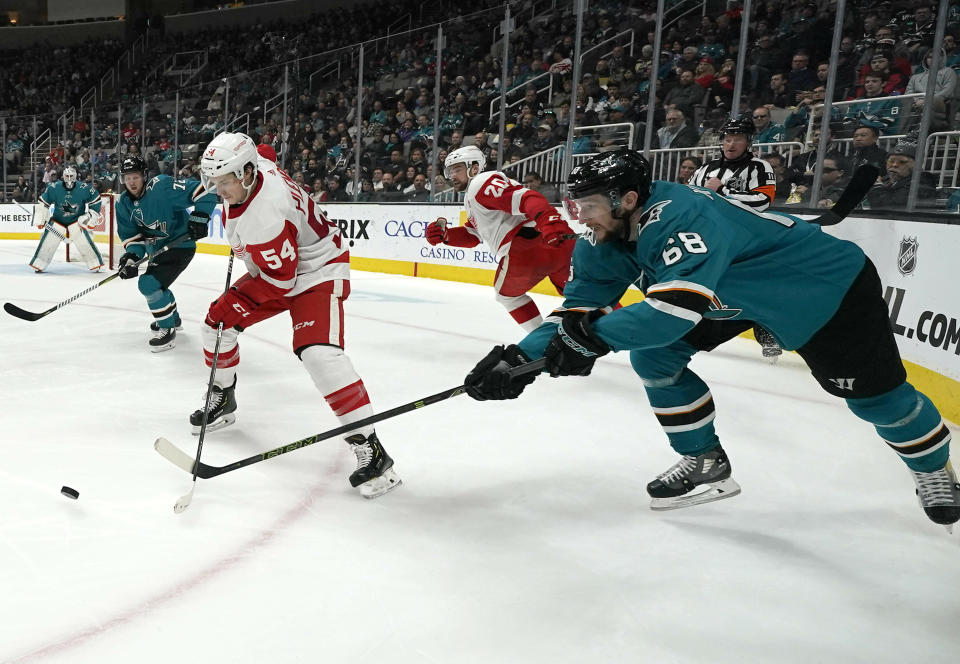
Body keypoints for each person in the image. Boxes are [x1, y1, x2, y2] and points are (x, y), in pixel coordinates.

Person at [463, 149, 959, 531]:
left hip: (816, 288)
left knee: (877, 400)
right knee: (655, 358)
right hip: (724, 291)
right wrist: (520, 359)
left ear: (628, 199)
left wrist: (587, 342)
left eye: (588, 206)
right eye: (577, 206)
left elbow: (668, 314)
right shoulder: (604, 235)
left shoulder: (679, 216)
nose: (581, 218)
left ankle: (933, 469)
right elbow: (579, 311)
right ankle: (704, 459)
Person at [195, 132, 401, 499]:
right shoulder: (257, 169)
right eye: (214, 180)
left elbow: (280, 282)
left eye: (223, 181)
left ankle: (371, 447)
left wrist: (236, 300)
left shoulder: (264, 214)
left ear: (244, 174)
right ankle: (223, 397)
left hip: (317, 268)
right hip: (280, 263)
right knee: (215, 327)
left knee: (318, 352)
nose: (217, 189)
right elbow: (266, 152)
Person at [424, 146, 576, 332]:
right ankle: (621, 329)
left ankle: (543, 342)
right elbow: (473, 235)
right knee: (586, 295)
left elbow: (527, 198)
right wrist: (446, 236)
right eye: (450, 171)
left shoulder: (481, 182)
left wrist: (548, 219)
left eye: (457, 169)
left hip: (528, 248)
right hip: (556, 244)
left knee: (508, 295)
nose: (452, 176)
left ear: (474, 168)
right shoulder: (473, 195)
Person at [687, 115, 781, 360]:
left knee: (754, 284)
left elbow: (763, 201)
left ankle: (766, 331)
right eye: (727, 139)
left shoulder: (760, 167)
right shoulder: (705, 169)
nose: (730, 144)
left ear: (748, 142)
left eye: (737, 139)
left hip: (746, 239)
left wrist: (721, 192)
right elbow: (688, 198)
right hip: (708, 235)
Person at [115, 155, 218, 352]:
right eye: (127, 178)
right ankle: (173, 319)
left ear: (144, 176)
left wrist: (200, 217)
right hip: (158, 251)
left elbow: (205, 190)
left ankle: (167, 328)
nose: (131, 182)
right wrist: (131, 257)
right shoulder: (123, 204)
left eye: (135, 177)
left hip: (180, 246)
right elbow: (132, 238)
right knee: (157, 286)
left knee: (148, 284)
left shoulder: (162, 187)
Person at [30, 166, 104, 273]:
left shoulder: (84, 187)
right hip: (57, 220)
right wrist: (40, 218)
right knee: (48, 241)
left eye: (71, 176)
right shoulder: (54, 187)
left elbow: (96, 200)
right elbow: (43, 202)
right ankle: (39, 262)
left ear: (76, 176)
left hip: (76, 221)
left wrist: (91, 216)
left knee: (84, 241)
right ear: (63, 176)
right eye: (67, 176)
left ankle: (95, 263)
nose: (69, 178)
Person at [866, 140, 938, 210]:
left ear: (917, 165)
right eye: (891, 161)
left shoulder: (923, 183)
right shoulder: (886, 180)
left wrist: (877, 186)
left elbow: (889, 208)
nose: (894, 165)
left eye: (902, 162)